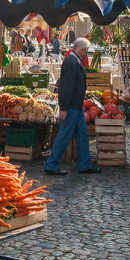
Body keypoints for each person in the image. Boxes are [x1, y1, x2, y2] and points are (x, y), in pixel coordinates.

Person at [44, 39, 95, 176]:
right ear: (83, 50)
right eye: (87, 50)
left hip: (76, 106)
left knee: (82, 135)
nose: (87, 53)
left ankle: (85, 165)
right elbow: (66, 87)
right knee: (65, 135)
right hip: (72, 106)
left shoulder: (74, 61)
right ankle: (51, 164)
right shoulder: (71, 62)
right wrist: (64, 108)